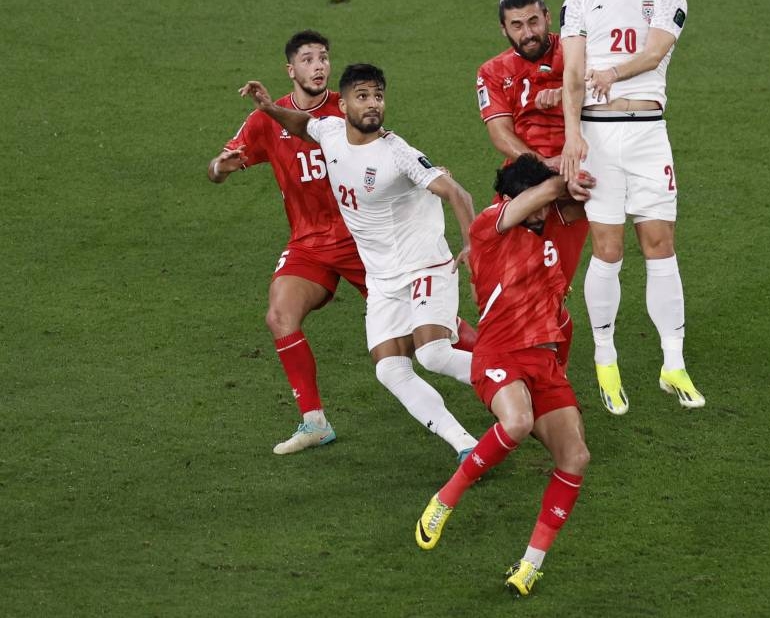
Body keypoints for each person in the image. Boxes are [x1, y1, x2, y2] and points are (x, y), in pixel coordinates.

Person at [240, 64, 481, 460]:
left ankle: (518, 378)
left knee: (433, 353)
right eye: (363, 96)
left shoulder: (397, 152)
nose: (372, 104)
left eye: (378, 96)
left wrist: (475, 247)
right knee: (390, 370)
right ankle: (465, 444)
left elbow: (458, 193)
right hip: (383, 278)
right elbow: (303, 124)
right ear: (344, 103)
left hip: (424, 265)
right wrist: (269, 108)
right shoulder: (331, 132)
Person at [415, 155, 594, 598]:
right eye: (532, 200)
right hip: (500, 355)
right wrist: (559, 177)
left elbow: (560, 316)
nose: (541, 211)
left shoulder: (548, 241)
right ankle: (446, 499)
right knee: (516, 422)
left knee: (576, 458)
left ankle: (530, 564)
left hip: (544, 365)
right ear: (513, 198)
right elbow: (545, 195)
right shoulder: (488, 228)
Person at [558, 0, 706, 414]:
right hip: (597, 137)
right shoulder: (580, 1)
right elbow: (573, 74)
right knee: (608, 249)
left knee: (660, 243)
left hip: (648, 135)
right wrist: (572, 136)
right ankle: (605, 359)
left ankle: (674, 364)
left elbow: (655, 53)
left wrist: (614, 74)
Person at [208, 30, 368, 455]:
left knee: (421, 333)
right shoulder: (267, 118)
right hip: (309, 243)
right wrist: (221, 168)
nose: (318, 66)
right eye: (308, 59)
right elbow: (219, 165)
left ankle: (498, 364)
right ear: (291, 69)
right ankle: (314, 422)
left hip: (363, 239)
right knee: (280, 316)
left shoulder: (349, 108)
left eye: (323, 58)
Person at [476, 0, 590, 291]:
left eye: (533, 21)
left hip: (578, 175)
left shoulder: (576, 52)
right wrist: (545, 166)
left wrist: (569, 91)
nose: (527, 33)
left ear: (547, 17)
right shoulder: (492, 71)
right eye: (517, 25)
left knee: (556, 286)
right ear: (504, 29)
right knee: (502, 281)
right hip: (524, 179)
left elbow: (605, 90)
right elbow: (500, 134)